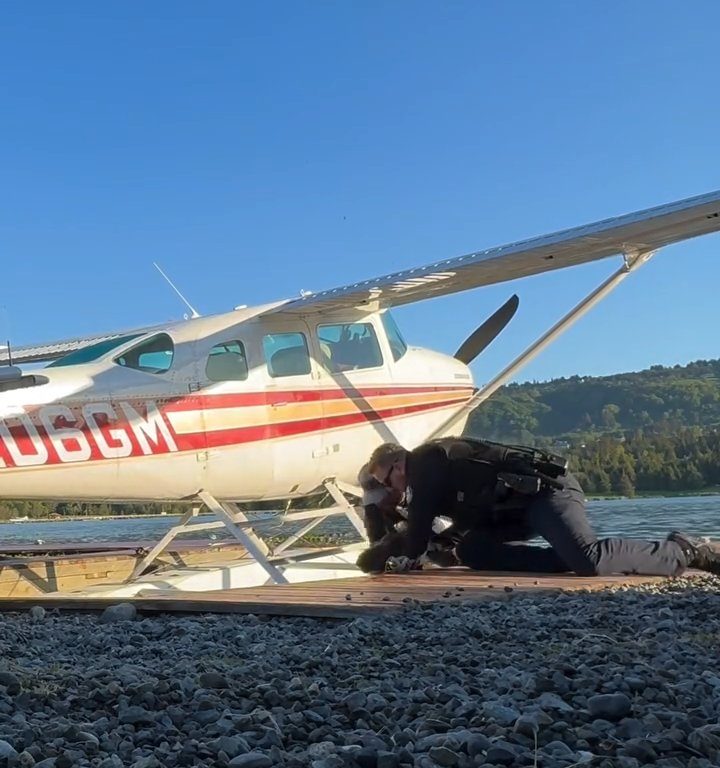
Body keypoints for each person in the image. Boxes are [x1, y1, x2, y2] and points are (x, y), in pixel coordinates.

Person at [356, 437, 720, 578]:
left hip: (547, 494)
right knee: (472, 549)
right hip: (509, 512)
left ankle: (684, 548)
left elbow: (419, 522)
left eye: (387, 481)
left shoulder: (427, 459)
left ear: (399, 465)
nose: (390, 488)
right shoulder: (433, 481)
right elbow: (430, 531)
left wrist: (409, 553)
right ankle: (569, 559)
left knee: (589, 559)